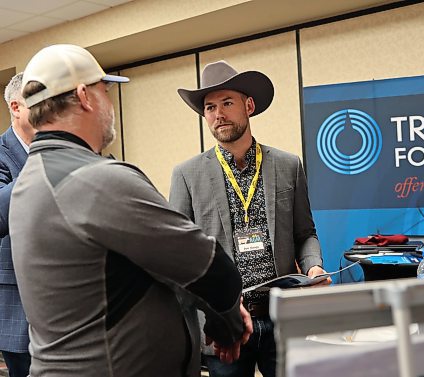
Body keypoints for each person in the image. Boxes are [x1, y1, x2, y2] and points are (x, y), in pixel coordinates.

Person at [8, 44, 252, 377]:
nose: (110, 105)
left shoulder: (28, 182)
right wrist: (229, 325)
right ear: (84, 96)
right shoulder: (97, 179)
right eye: (105, 92)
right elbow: (210, 268)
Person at [171, 60, 330, 377]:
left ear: (249, 105)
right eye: (210, 107)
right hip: (226, 323)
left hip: (281, 316)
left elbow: (305, 233)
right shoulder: (187, 176)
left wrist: (313, 265)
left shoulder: (287, 165)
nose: (219, 114)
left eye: (227, 103)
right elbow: (179, 258)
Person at [0, 72, 35, 377]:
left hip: (67, 297)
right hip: (17, 300)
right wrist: (44, 157)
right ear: (16, 107)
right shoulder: (1, 153)